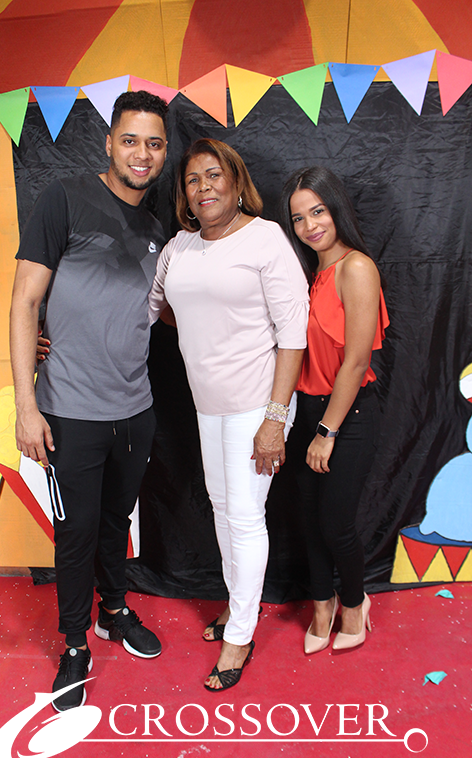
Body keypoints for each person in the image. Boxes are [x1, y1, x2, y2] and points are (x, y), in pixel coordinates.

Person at [10, 90, 169, 711]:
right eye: (130, 140)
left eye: (153, 143)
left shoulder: (157, 230)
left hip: (136, 411)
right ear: (109, 143)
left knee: (114, 522)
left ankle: (114, 611)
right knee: (76, 534)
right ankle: (75, 644)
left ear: (164, 153)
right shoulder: (65, 198)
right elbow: (25, 301)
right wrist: (27, 406)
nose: (141, 153)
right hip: (70, 412)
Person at [149, 139, 309, 690]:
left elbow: (293, 335)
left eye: (214, 175)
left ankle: (240, 632)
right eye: (193, 180)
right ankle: (240, 603)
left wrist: (274, 419)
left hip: (258, 407)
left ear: (237, 182)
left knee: (243, 516)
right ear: (184, 195)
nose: (204, 187)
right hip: (208, 406)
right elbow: (157, 307)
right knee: (222, 510)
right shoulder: (180, 247)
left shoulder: (265, 239)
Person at [280, 166, 389, 654]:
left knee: (335, 523)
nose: (310, 226)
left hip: (346, 416)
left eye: (318, 211)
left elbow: (357, 360)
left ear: (336, 208)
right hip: (306, 409)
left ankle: (354, 604)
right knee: (308, 519)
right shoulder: (310, 275)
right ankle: (321, 604)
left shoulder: (356, 268)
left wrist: (326, 432)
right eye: (298, 218)